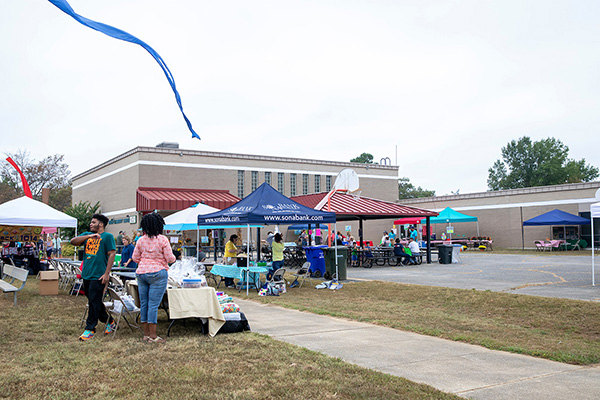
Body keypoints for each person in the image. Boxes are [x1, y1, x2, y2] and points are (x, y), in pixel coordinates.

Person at [70, 213, 116, 341]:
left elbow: (112, 254)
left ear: (101, 224)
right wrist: (89, 236)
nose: (91, 224)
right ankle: (110, 321)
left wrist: (106, 274)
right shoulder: (86, 235)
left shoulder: (107, 237)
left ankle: (90, 329)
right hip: (87, 274)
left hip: (99, 275)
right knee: (93, 301)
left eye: (93, 222)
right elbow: (73, 241)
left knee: (94, 302)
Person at [132, 213, 176, 343]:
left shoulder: (140, 240)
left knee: (144, 303)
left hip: (141, 273)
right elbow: (170, 258)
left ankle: (146, 334)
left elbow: (135, 258)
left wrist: (145, 261)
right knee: (153, 305)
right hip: (158, 273)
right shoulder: (162, 239)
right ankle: (153, 336)